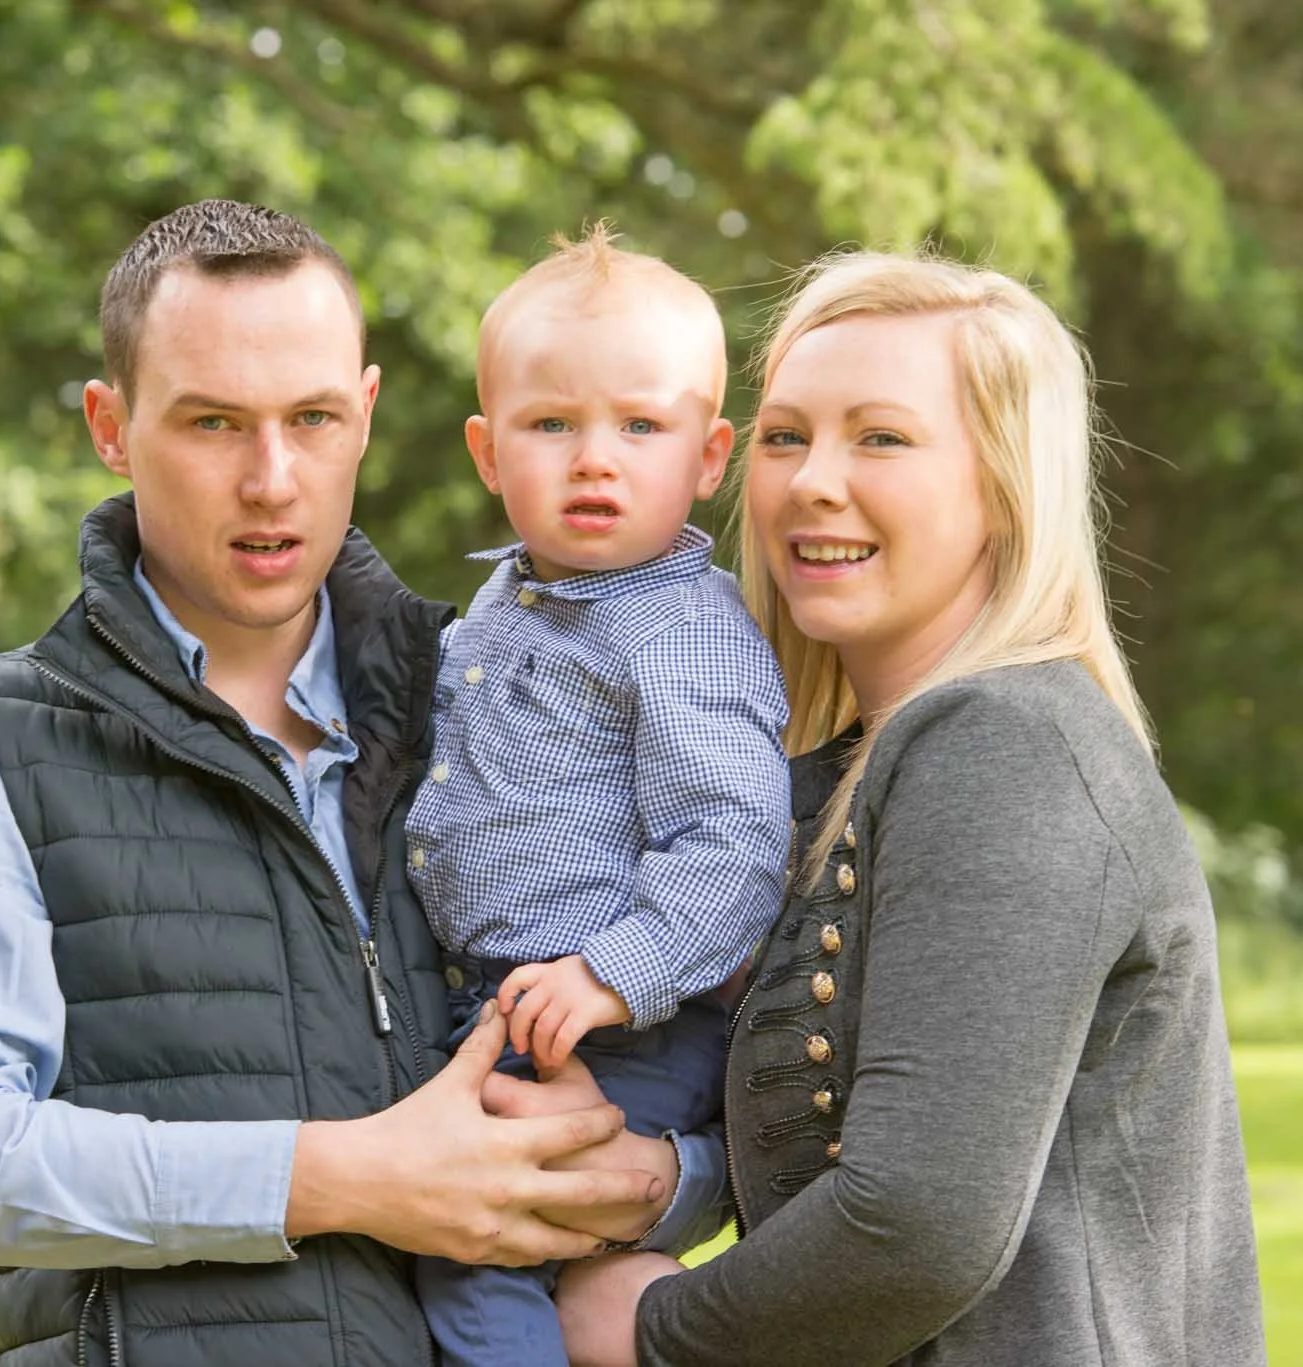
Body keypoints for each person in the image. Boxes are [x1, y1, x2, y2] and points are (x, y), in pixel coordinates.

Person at [0, 199, 723, 1367]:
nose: (271, 479)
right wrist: (342, 1178)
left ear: (362, 413)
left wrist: (653, 1178)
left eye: (310, 418)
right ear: (111, 425)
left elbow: (721, 1070)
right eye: (213, 422)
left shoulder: (491, 700)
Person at [555, 251, 1266, 1365]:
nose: (810, 481)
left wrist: (654, 1332)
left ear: (1000, 482)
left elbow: (916, 1223)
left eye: (878, 437)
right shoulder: (854, 765)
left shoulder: (1003, 745)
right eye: (784, 436)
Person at [404, 228, 790, 1367]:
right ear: (486, 449)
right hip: (496, 1005)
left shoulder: (681, 631)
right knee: (533, 1265)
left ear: (709, 454)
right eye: (550, 424)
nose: (593, 459)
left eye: (640, 424)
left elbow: (731, 843)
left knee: (472, 1243)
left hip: (624, 1020)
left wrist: (606, 973)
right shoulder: (497, 611)